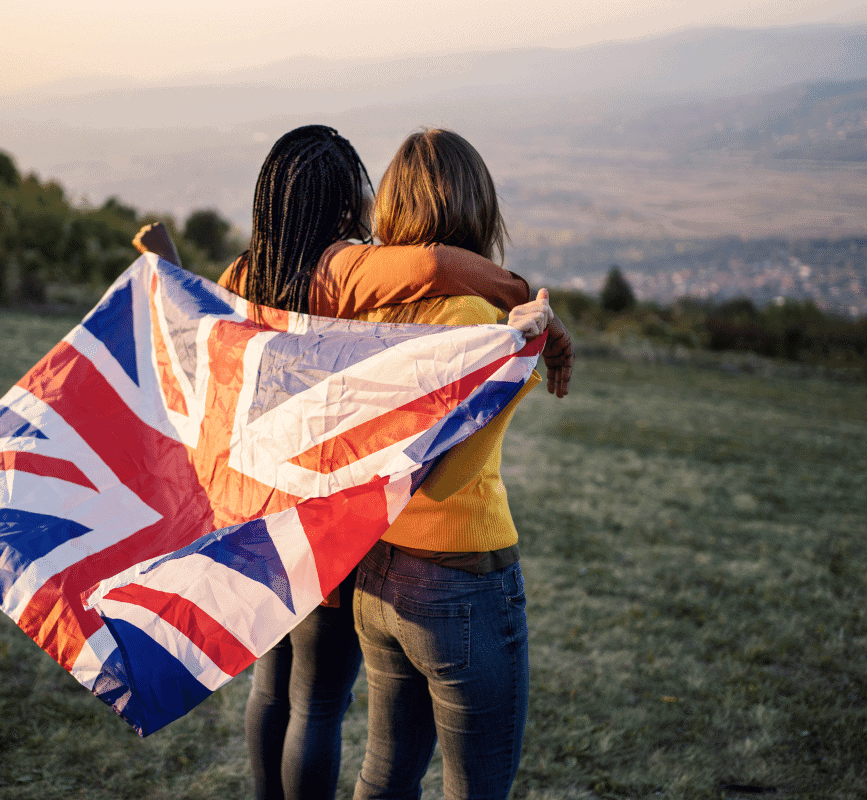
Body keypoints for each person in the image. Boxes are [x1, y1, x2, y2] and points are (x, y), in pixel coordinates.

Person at [133, 125, 567, 800]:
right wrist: (517, 311)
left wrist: (167, 268)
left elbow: (205, 349)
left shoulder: (247, 277)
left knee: (289, 700)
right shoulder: (354, 286)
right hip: (345, 537)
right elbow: (430, 272)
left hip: (257, 517)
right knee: (319, 707)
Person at [343, 128, 545, 800]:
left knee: (384, 774)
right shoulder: (477, 320)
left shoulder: (363, 310)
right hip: (460, 580)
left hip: (375, 572)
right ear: (478, 208)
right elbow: (450, 468)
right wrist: (522, 335)